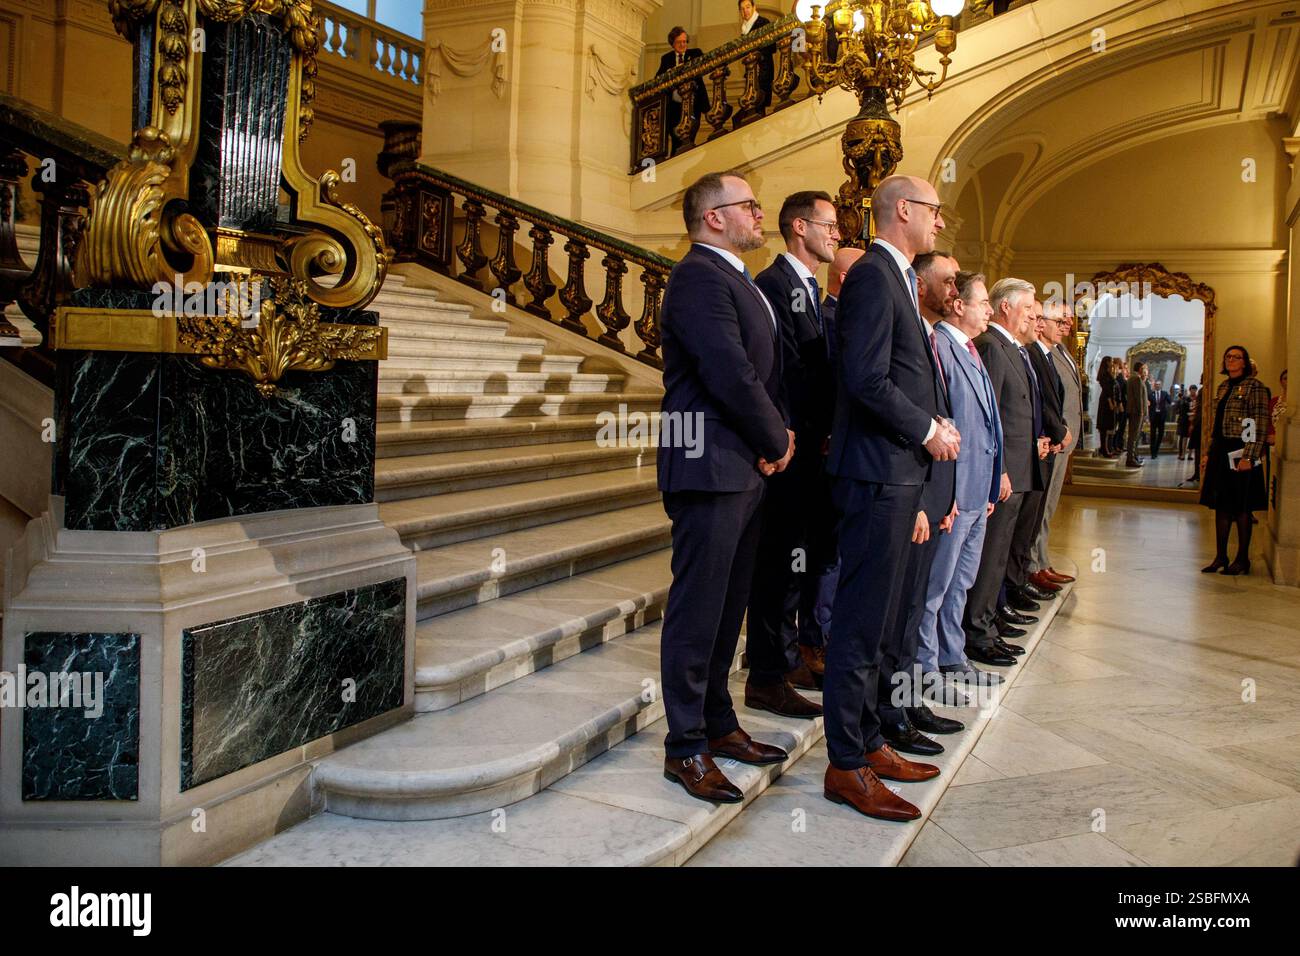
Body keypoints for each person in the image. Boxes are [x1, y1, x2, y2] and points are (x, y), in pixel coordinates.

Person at [822, 174, 958, 822]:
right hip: (876, 475)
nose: (940, 220)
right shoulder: (876, 276)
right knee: (857, 626)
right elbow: (866, 378)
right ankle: (845, 764)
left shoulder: (899, 275)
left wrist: (934, 426)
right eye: (934, 210)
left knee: (879, 625)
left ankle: (871, 742)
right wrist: (929, 428)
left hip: (898, 476)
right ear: (903, 210)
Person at [656, 170, 794, 803]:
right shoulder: (696, 278)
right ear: (714, 217)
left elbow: (763, 373)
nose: (759, 215)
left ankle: (718, 723)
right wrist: (776, 438)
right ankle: (683, 746)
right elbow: (729, 374)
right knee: (698, 610)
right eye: (749, 206)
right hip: (709, 463)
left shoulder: (736, 276)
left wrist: (774, 438)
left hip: (741, 463)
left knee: (728, 606)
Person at [745, 191, 838, 716]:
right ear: (799, 227)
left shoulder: (812, 289)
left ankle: (788, 656)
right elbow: (773, 370)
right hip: (788, 447)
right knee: (778, 565)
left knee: (801, 562)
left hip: (814, 448)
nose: (837, 234)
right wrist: (779, 434)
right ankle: (767, 674)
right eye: (829, 225)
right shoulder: (772, 285)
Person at [874, 251, 960, 756]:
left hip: (931, 495)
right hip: (907, 495)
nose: (953, 289)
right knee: (898, 617)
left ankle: (907, 703)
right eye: (946, 281)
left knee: (910, 614)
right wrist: (925, 504)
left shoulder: (931, 341)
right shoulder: (903, 321)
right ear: (920, 284)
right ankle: (890, 712)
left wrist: (943, 497)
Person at [919, 271, 1005, 687]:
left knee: (961, 581)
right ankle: (926, 666)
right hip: (955, 489)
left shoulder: (970, 350)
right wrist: (946, 492)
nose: (990, 310)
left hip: (977, 486)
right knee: (936, 584)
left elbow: (987, 423)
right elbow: (944, 422)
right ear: (958, 305)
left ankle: (953, 656)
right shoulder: (940, 347)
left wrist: (991, 482)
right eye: (983, 302)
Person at [963, 278, 1047, 668]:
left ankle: (989, 621)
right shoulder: (992, 348)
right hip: (1004, 472)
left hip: (1019, 465)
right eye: (1027, 308)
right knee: (991, 554)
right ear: (1004, 308)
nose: (1033, 315)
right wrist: (999, 469)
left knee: (1000, 554)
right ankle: (977, 631)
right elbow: (988, 417)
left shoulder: (1012, 348)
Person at [1199, 345, 1270, 575]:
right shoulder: (1223, 387)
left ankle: (1242, 559)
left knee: (1241, 506)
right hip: (1222, 449)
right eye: (1228, 356)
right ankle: (1221, 556)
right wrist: (1209, 453)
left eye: (1236, 357)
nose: (1231, 360)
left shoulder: (1255, 387)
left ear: (1245, 362)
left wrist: (1249, 455)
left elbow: (1258, 423)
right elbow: (1216, 425)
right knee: (1221, 505)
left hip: (1242, 450)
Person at [1029, 301, 1080, 590]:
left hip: (1064, 442)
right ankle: (1034, 564)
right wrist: (1058, 432)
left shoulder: (1061, 352)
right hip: (1055, 440)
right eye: (1060, 321)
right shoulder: (1037, 352)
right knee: (1041, 506)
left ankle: (1042, 560)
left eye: (1068, 322)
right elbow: (1047, 401)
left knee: (1049, 508)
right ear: (1043, 322)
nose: (1066, 326)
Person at [655, 28, 709, 154]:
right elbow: (658, 79)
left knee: (690, 136)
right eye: (679, 42)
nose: (682, 45)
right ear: (672, 43)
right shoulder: (666, 59)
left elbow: (704, 63)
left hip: (693, 104)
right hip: (674, 107)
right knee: (675, 138)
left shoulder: (695, 53)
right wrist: (670, 73)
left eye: (685, 41)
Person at [738, 0, 775, 113]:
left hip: (762, 72)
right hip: (751, 74)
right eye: (742, 9)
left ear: (754, 7)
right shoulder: (744, 29)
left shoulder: (763, 22)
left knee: (759, 106)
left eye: (748, 7)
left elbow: (772, 47)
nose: (745, 11)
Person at [1124, 361, 1149, 467]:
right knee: (1134, 436)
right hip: (1137, 412)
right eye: (1143, 368)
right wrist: (1142, 411)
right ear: (1140, 369)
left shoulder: (1133, 378)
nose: (1145, 370)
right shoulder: (1136, 379)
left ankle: (1133, 456)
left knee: (1134, 435)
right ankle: (1130, 459)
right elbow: (1138, 397)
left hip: (1135, 411)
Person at [1096, 356, 1118, 456]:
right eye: (1111, 361)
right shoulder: (1104, 375)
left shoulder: (1109, 373)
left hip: (1109, 399)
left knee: (1107, 426)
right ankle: (1104, 449)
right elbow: (1106, 389)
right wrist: (1110, 402)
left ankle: (1106, 448)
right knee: (1104, 426)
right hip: (1106, 400)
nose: (1112, 363)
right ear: (1107, 362)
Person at [1148, 379, 1170, 458]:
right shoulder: (1150, 394)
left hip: (1161, 417)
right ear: (1154, 386)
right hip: (1153, 417)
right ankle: (1152, 453)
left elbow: (1170, 402)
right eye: (1156, 384)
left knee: (1160, 435)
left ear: (1161, 385)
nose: (1157, 385)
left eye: (1159, 384)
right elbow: (1148, 405)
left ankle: (1156, 450)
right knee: (1152, 435)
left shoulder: (1165, 394)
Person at [1177, 384, 1198, 459]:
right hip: (1186, 420)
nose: (1193, 391)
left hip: (1194, 420)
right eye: (1192, 390)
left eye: (1195, 390)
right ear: (1190, 390)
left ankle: (1190, 454)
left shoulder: (1198, 398)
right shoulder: (1185, 398)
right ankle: (1182, 454)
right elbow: (1182, 409)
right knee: (1184, 437)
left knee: (1192, 438)